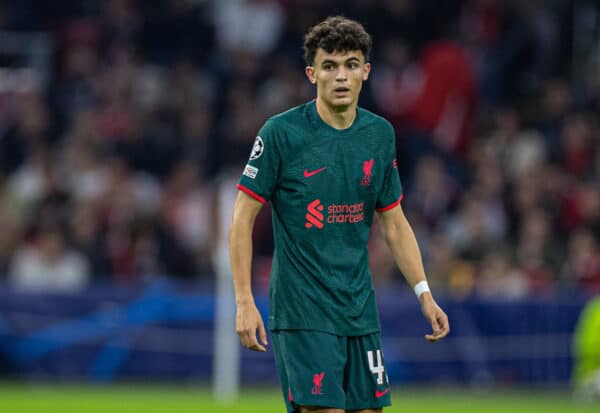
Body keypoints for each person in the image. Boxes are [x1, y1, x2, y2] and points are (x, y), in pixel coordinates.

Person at [229, 16, 450, 413]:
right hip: (302, 309)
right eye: (329, 66)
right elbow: (242, 217)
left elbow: (395, 223)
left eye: (350, 64)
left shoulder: (380, 135)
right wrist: (244, 301)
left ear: (366, 71)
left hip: (359, 307)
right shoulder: (281, 133)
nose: (341, 75)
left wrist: (424, 294)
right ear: (312, 73)